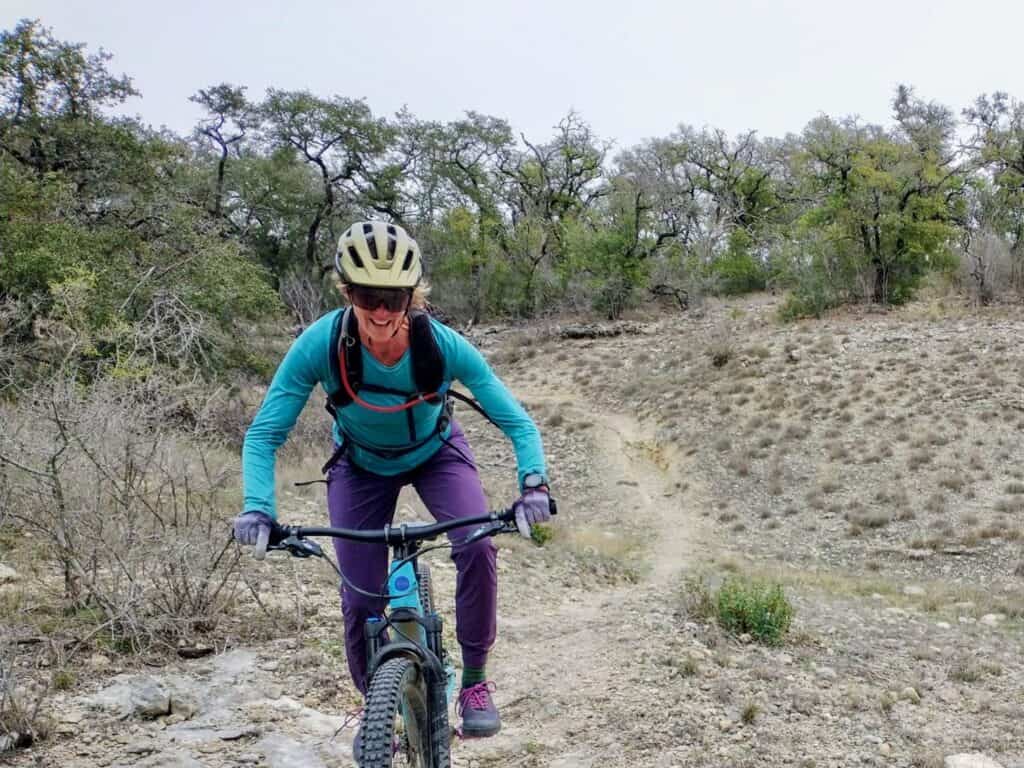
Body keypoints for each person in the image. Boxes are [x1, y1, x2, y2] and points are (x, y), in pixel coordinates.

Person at [233, 221, 551, 739]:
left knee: (476, 548)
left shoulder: (443, 345)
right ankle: (373, 706)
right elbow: (265, 432)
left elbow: (516, 421)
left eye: (393, 297)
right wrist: (256, 507)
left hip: (436, 454)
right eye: (366, 295)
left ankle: (473, 682)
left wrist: (533, 485)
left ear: (412, 295)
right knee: (360, 598)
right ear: (346, 291)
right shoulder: (321, 344)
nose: (380, 311)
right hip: (360, 465)